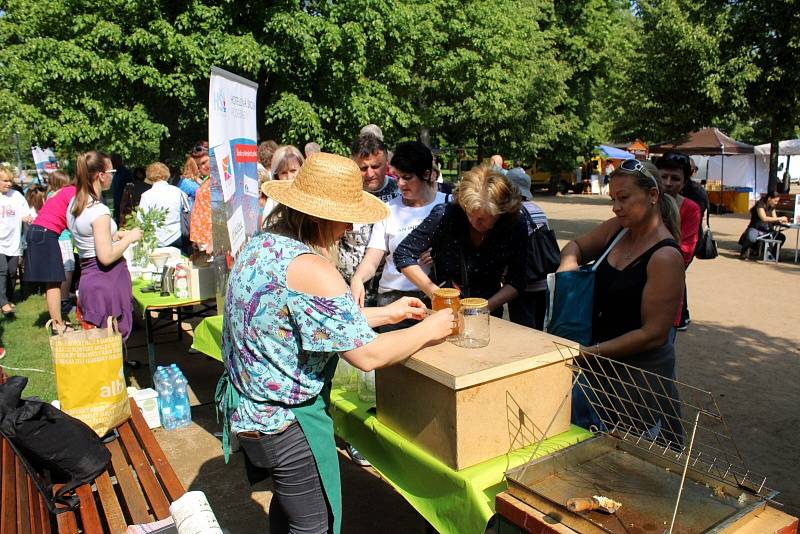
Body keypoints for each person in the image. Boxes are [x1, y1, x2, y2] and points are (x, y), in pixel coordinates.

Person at [217, 152, 452, 534]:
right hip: (288, 423)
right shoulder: (312, 267)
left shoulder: (263, 245)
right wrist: (432, 326)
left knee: (289, 511)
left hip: (252, 412)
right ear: (322, 216)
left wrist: (388, 314)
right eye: (346, 218)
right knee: (315, 526)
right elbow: (366, 355)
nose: (348, 228)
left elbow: (307, 320)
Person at [557, 160, 684, 438]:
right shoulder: (616, 230)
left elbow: (653, 334)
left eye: (624, 198)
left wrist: (588, 354)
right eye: (613, 199)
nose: (616, 207)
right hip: (598, 372)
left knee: (631, 463)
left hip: (637, 385)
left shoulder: (665, 257)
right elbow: (575, 246)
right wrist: (568, 264)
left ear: (652, 196)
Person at [394, 164, 528, 315]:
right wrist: (436, 293)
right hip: (444, 311)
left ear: (501, 212)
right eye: (469, 213)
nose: (473, 221)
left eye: (482, 218)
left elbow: (517, 280)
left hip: (489, 314)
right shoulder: (446, 214)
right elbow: (403, 253)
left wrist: (485, 308)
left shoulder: (515, 224)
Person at [350, 141, 446, 314]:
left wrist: (441, 253)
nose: (400, 183)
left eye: (407, 177)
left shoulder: (448, 203)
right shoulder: (387, 209)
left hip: (436, 296)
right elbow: (372, 260)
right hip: (393, 300)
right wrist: (358, 278)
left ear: (427, 174)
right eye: (397, 177)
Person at [67, 151, 142, 342]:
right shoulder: (99, 211)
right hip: (106, 281)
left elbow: (89, 238)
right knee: (112, 338)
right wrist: (130, 238)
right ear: (101, 175)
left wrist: (115, 235)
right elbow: (106, 256)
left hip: (89, 279)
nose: (113, 175)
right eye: (112, 171)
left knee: (99, 342)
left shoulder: (74, 204)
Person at [337, 134, 399, 296]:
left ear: (387, 163)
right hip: (347, 287)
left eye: (376, 166)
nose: (370, 174)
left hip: (388, 288)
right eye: (363, 168)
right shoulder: (344, 195)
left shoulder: (401, 192)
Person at [23, 170, 76, 327]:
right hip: (46, 233)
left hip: (39, 232)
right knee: (53, 282)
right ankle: (58, 325)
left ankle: (57, 322)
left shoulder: (63, 192)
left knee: (53, 282)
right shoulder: (73, 192)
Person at [656, 151, 701, 332]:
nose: (667, 183)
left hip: (667, 283)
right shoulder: (643, 202)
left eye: (675, 178)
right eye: (663, 176)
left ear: (684, 182)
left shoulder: (690, 209)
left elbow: (685, 253)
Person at [506, 167, 550, 330]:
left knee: (522, 329)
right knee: (538, 327)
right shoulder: (539, 210)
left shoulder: (514, 213)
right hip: (543, 279)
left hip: (523, 284)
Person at [0, 167, 33, 316]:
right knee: (2, 270)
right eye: (5, 181)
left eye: (10, 181)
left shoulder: (17, 196)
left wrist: (27, 218)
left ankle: (8, 298)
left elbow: (25, 213)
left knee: (12, 271)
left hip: (13, 241)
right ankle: (3, 302)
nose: (8, 184)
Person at [138, 162, 189, 250]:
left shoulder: (146, 195)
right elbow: (187, 209)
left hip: (155, 240)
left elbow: (141, 220)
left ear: (149, 176)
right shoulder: (178, 191)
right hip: (177, 236)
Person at [739, 192, 788, 259]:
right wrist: (780, 218)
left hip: (767, 230)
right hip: (755, 228)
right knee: (751, 238)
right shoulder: (760, 205)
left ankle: (773, 254)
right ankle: (744, 251)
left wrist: (782, 222)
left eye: (777, 201)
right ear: (769, 198)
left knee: (781, 237)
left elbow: (774, 219)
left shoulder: (772, 207)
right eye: (775, 201)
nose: (776, 203)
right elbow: (764, 218)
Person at [110, 154, 133, 222]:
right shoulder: (115, 173)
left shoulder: (126, 172)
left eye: (113, 161)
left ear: (119, 161)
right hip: (116, 203)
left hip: (124, 204)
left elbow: (129, 189)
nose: (112, 163)